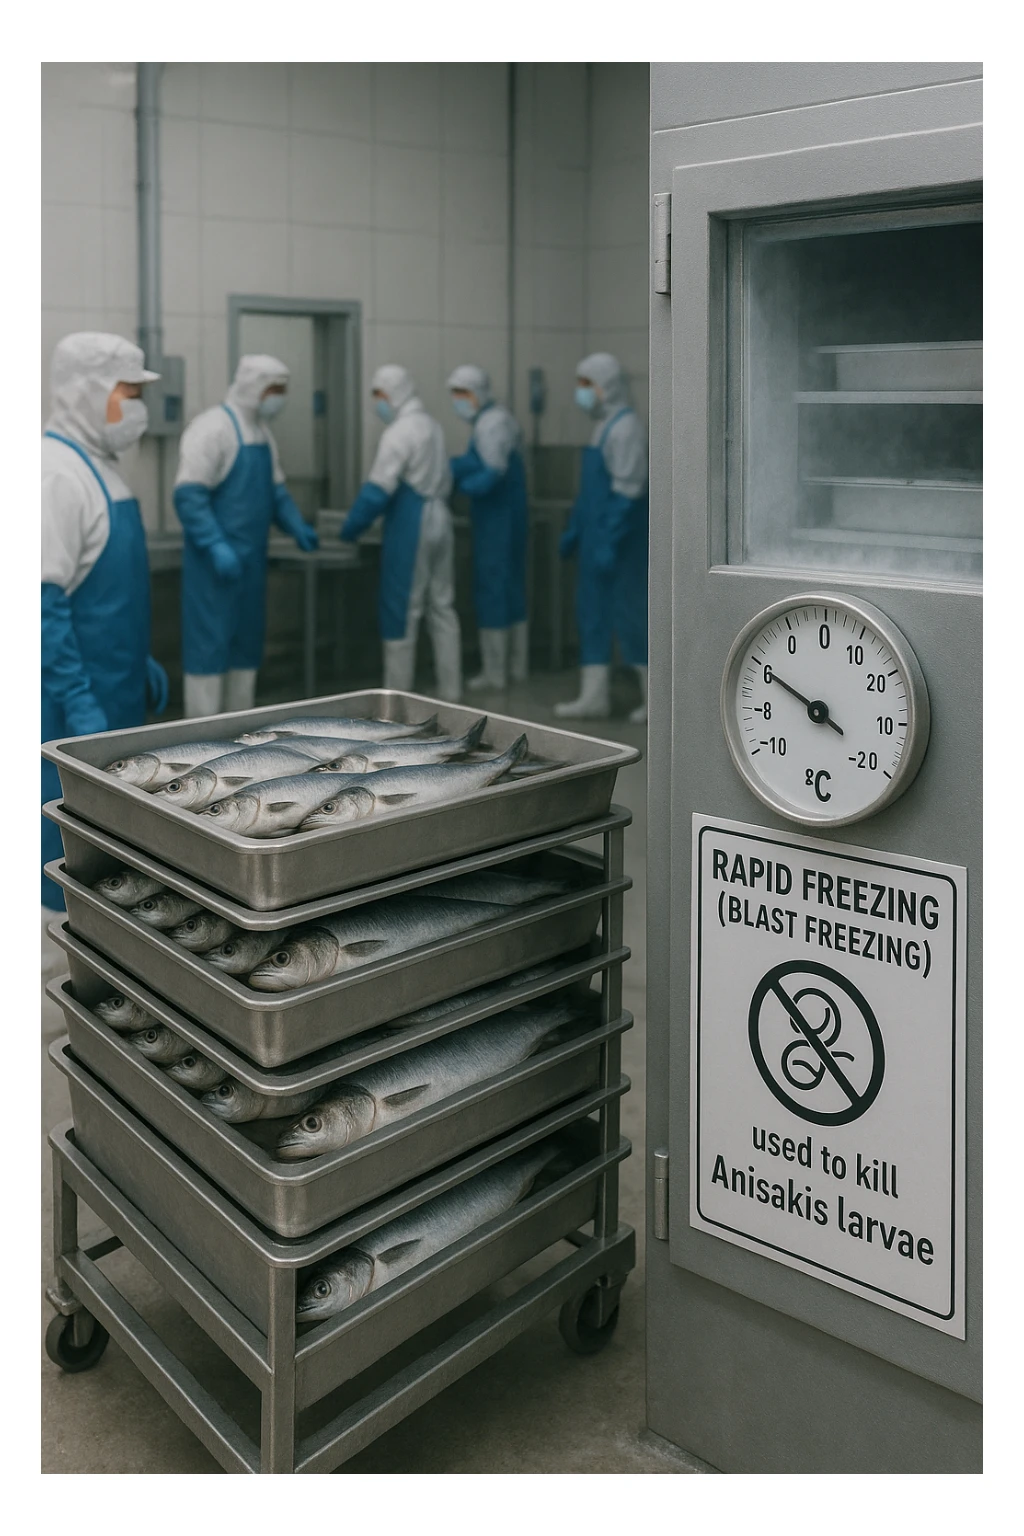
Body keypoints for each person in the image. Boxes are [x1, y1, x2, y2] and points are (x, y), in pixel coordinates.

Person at [41, 331, 169, 934]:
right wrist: (77, 698)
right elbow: (41, 604)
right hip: (68, 709)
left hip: (114, 694)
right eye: (128, 392)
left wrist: (137, 660)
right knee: (57, 842)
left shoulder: (101, 468)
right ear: (87, 391)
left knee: (105, 840)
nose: (138, 408)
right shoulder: (55, 474)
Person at [173, 354, 318, 719]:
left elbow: (277, 493)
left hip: (251, 566)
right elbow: (189, 495)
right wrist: (215, 545)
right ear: (254, 388)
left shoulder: (263, 434)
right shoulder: (212, 429)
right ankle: (202, 735)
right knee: (208, 651)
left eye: (282, 390)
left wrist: (297, 526)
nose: (279, 398)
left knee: (245, 649)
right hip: (213, 571)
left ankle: (239, 735)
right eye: (274, 390)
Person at [339, 364, 462, 701]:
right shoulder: (432, 426)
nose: (377, 403)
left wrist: (350, 528)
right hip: (442, 516)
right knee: (443, 607)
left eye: (379, 395)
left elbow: (378, 491)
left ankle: (397, 697)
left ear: (393, 394)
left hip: (412, 522)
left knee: (402, 610)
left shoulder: (399, 432)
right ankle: (452, 692)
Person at [555, 352, 649, 725]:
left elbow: (629, 490)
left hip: (622, 544)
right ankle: (593, 699)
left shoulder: (626, 429)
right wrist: (577, 530)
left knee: (632, 616)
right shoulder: (604, 425)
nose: (581, 392)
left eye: (587, 384)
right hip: (597, 539)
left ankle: (655, 699)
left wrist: (608, 537)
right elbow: (592, 492)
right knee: (592, 615)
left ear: (606, 387)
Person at [447, 364, 529, 692]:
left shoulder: (491, 423)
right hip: (508, 516)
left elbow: (493, 471)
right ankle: (517, 667)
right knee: (510, 588)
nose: (458, 400)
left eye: (462, 394)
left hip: (497, 518)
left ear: (478, 393)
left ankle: (495, 673)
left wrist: (462, 487)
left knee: (493, 588)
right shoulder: (496, 418)